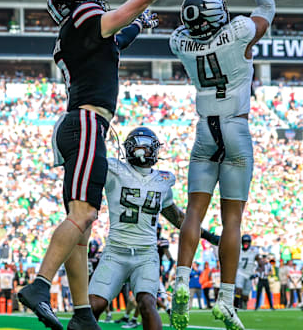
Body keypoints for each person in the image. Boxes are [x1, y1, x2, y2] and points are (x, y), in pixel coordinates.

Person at [18, 0, 198, 330]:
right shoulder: (82, 18)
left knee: (80, 230)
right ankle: (39, 285)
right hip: (85, 124)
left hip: (82, 126)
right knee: (82, 216)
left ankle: (83, 313)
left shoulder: (79, 34)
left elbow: (114, 42)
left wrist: (136, 26)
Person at [170, 0, 274, 330]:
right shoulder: (239, 33)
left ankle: (181, 282)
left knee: (194, 211)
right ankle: (226, 301)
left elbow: (194, 15)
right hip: (235, 129)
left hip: (204, 131)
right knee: (232, 220)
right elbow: (268, 6)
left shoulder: (180, 42)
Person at [88, 127, 219, 330]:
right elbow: (92, 158)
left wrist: (209, 236)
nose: (143, 151)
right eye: (139, 147)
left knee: (148, 304)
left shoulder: (162, 181)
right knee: (94, 305)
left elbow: (177, 217)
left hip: (145, 255)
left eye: (147, 147)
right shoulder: (114, 169)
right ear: (129, 149)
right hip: (115, 251)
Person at [234, 235, 261, 310]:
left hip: (249, 275)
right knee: (238, 289)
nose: (246, 244)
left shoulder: (254, 251)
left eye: (247, 242)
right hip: (240, 272)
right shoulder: (238, 250)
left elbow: (260, 263)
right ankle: (235, 306)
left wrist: (258, 273)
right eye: (244, 242)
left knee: (245, 294)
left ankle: (244, 303)